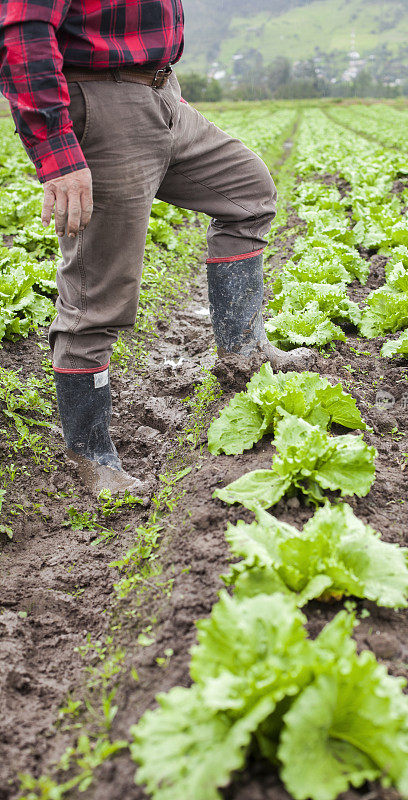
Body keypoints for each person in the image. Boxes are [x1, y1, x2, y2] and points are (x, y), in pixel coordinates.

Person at [0, 1, 313, 495]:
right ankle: (92, 458)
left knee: (248, 196)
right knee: (98, 294)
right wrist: (58, 154)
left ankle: (243, 352)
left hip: (161, 94)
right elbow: (22, 32)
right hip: (105, 103)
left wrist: (163, 91)